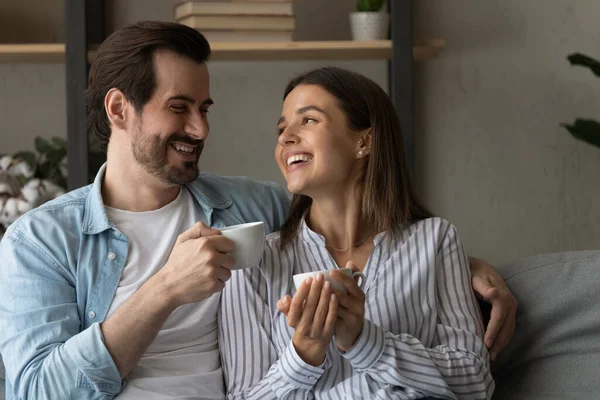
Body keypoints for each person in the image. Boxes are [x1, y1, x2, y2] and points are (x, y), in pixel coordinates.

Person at [0, 21, 513, 399]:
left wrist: (465, 265)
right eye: (180, 108)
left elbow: (349, 224)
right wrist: (165, 290)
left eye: (204, 110)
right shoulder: (41, 241)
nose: (200, 130)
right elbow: (36, 391)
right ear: (118, 110)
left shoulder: (251, 211)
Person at [220, 67, 495, 399]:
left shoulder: (435, 241)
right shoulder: (253, 265)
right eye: (282, 127)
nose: (285, 137)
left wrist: (364, 340)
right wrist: (303, 353)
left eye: (308, 120)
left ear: (364, 141)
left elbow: (476, 380)